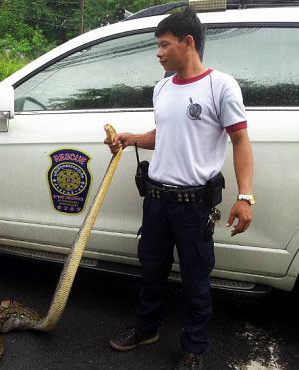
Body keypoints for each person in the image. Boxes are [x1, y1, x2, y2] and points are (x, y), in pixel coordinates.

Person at [105, 8, 254, 370]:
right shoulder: (162, 87)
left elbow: (239, 140)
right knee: (151, 269)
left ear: (188, 43)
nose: (158, 53)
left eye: (164, 45)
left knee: (196, 278)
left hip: (194, 207)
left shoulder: (221, 86)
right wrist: (131, 138)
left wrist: (245, 196)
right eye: (157, 45)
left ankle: (194, 347)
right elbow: (165, 135)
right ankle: (146, 329)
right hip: (156, 200)